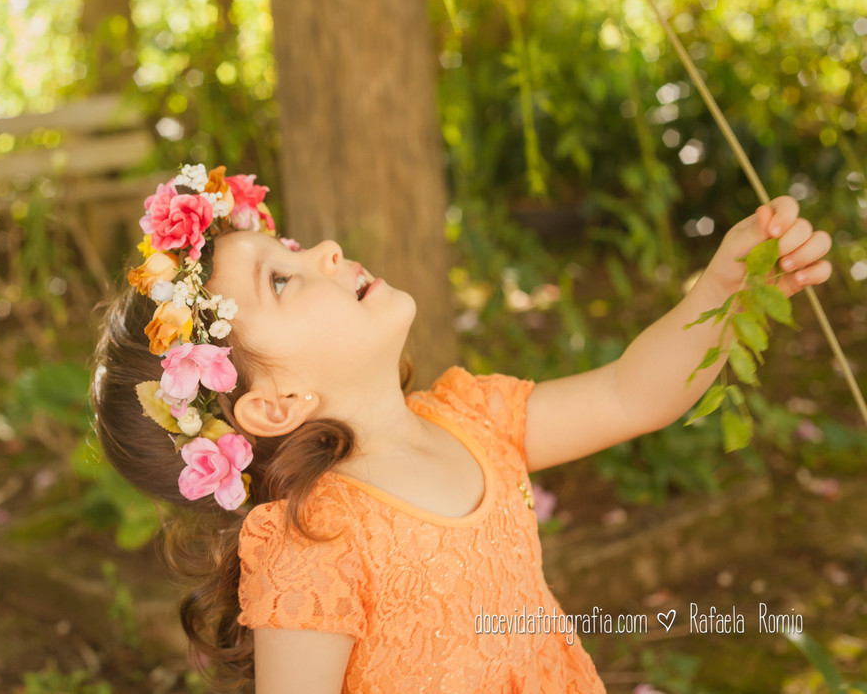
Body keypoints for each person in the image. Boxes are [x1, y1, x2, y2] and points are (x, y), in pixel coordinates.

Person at [88, 161, 833, 693]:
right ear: (275, 404)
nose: (324, 251)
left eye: (289, 248)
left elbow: (630, 394)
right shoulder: (312, 540)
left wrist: (724, 290)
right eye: (281, 279)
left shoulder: (472, 416)